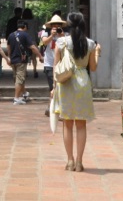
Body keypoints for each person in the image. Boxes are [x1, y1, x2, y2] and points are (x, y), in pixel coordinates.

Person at [56, 11, 99, 172]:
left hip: (66, 82)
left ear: (68, 25)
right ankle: (80, 162)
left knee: (67, 124)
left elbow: (57, 67)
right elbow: (93, 68)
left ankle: (69, 161)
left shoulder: (62, 42)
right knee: (81, 125)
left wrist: (54, 89)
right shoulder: (90, 44)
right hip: (83, 82)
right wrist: (98, 53)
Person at [7, 20, 42, 104]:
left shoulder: (11, 35)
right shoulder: (25, 35)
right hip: (21, 60)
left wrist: (9, 57)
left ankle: (25, 93)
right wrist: (40, 56)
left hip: (13, 60)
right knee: (20, 79)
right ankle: (16, 98)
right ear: (25, 27)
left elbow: (8, 47)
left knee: (17, 78)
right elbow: (32, 47)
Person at [41, 14, 66, 116]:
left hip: (61, 65)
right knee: (53, 87)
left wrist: (61, 36)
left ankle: (51, 107)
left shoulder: (65, 34)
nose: (56, 27)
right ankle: (52, 107)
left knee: (59, 86)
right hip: (49, 65)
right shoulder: (45, 32)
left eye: (58, 25)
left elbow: (68, 44)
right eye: (54, 25)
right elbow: (44, 43)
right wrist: (52, 35)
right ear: (51, 26)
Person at [21, 8, 38, 77]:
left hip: (24, 40)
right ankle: (35, 70)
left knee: (24, 56)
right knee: (34, 57)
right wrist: (37, 40)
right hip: (32, 40)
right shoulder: (34, 21)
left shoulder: (21, 21)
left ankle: (26, 72)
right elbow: (36, 31)